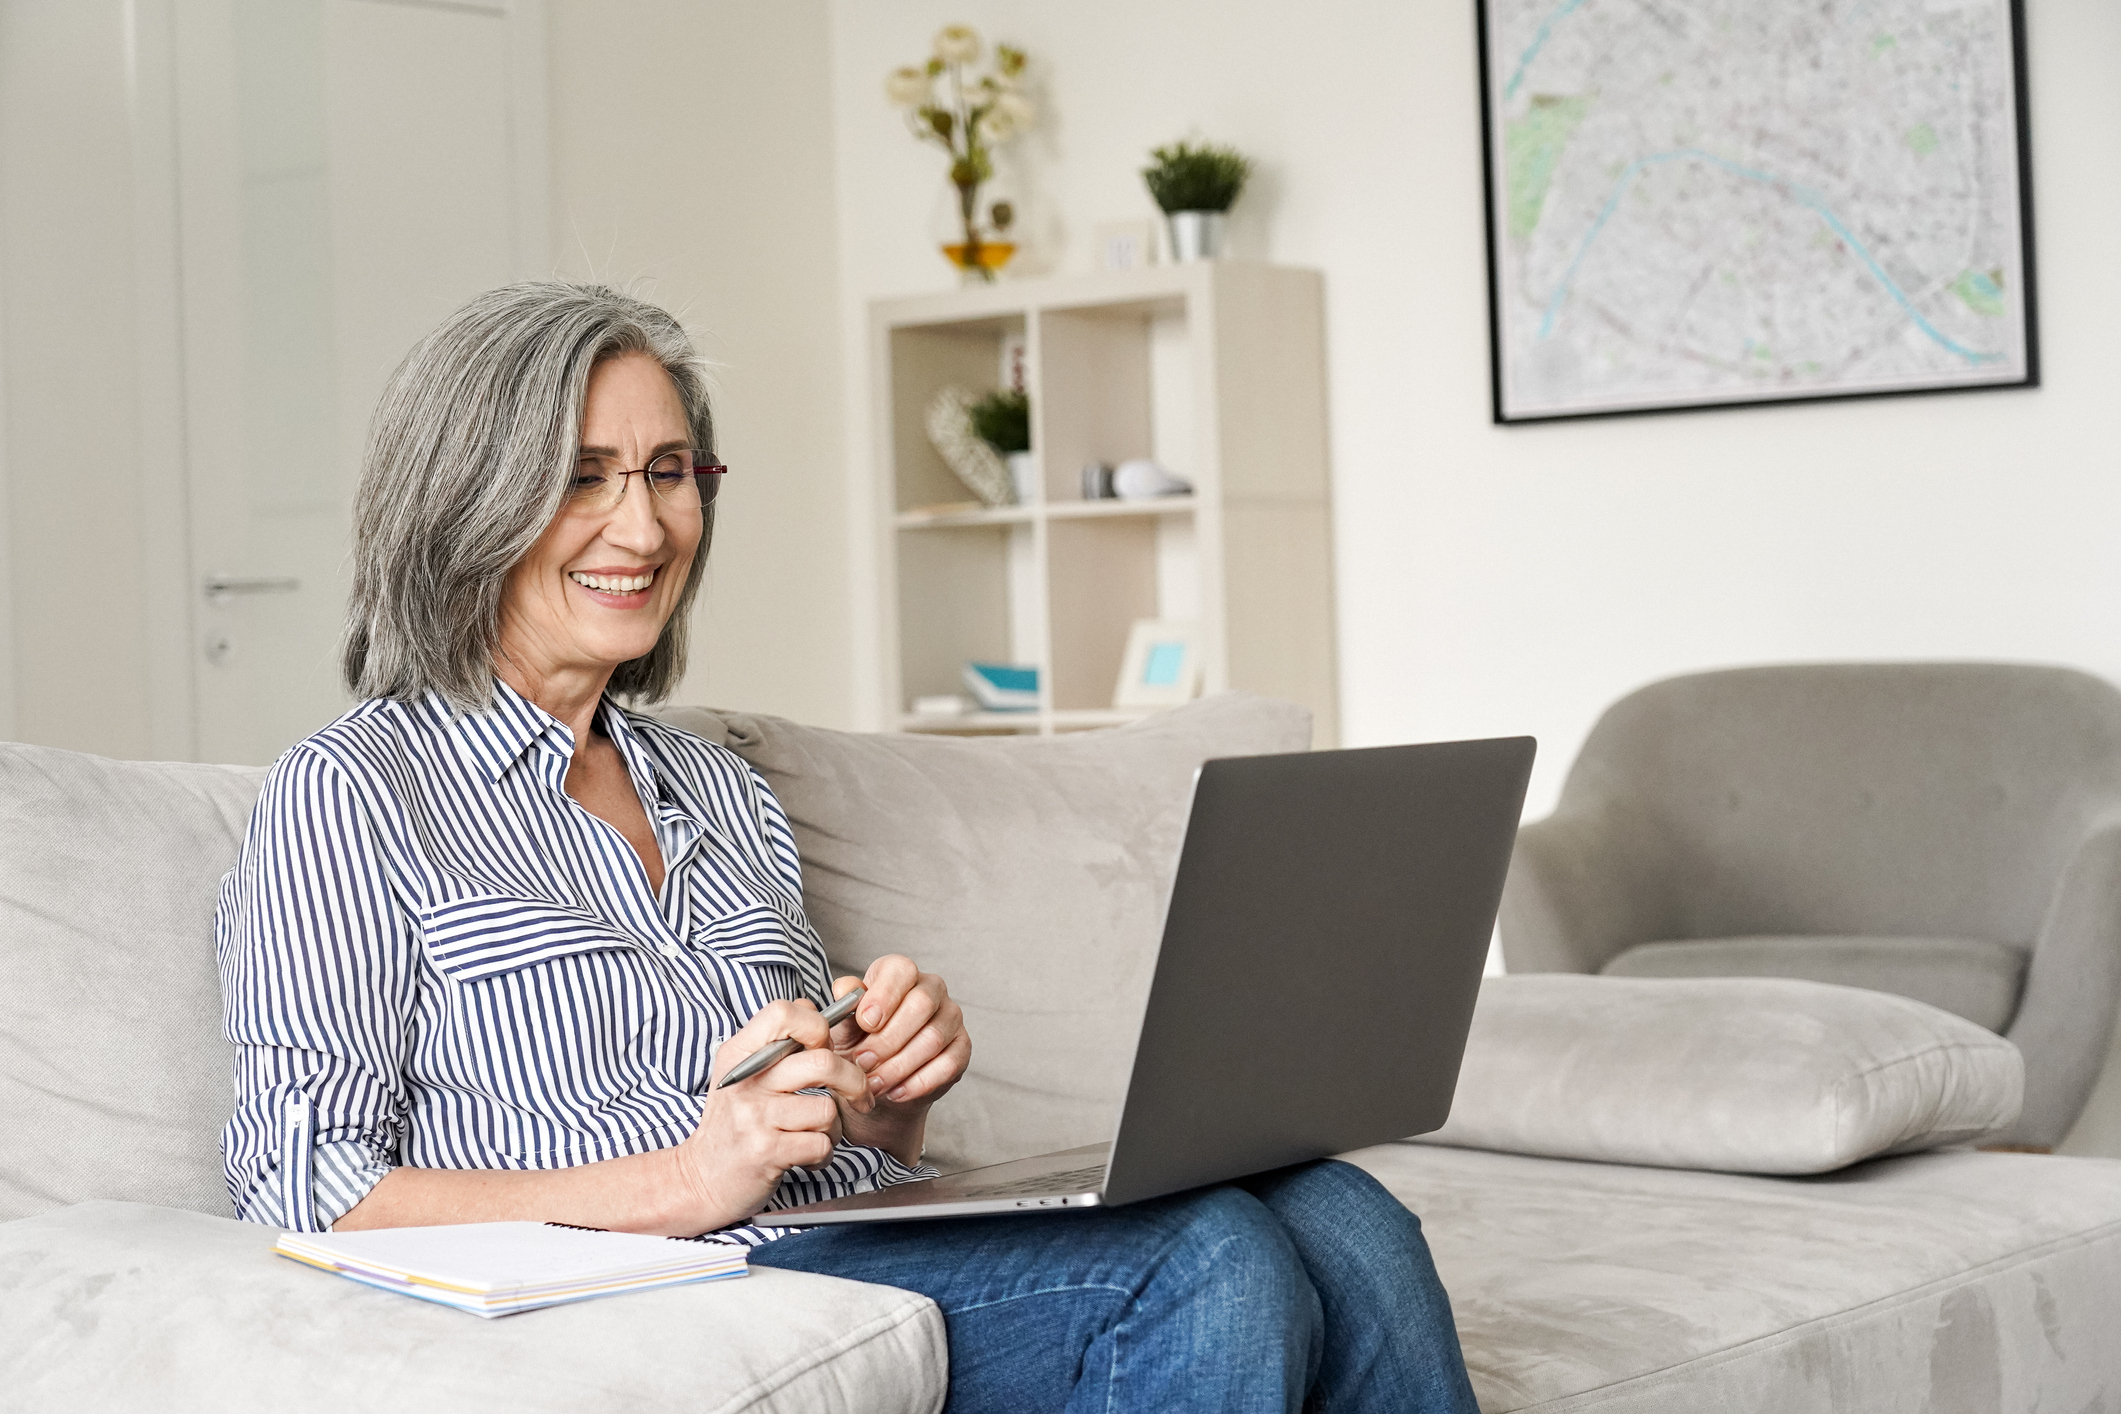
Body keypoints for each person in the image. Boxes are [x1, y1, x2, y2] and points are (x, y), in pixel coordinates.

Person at [218, 281, 1479, 1414]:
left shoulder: (716, 788)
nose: (645, 529)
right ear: (468, 503)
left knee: (1345, 1214)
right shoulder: (354, 792)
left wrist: (887, 1099)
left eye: (669, 472)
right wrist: (688, 1177)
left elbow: (821, 1126)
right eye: (584, 475)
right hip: (666, 1286)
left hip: (844, 1234)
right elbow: (304, 1186)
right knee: (1209, 1262)